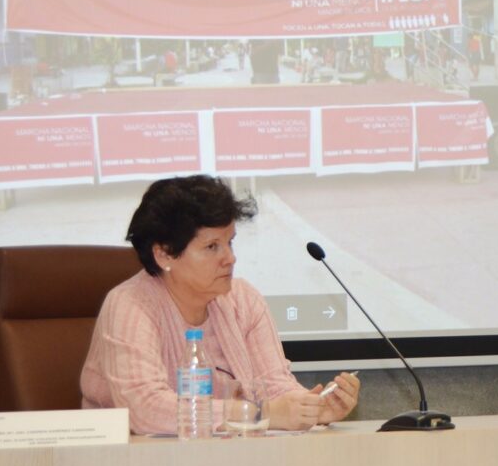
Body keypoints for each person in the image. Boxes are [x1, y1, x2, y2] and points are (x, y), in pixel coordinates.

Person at [81, 175, 360, 434]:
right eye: (212, 246)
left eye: (230, 242)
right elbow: (144, 409)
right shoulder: (130, 305)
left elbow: (275, 388)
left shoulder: (243, 300)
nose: (230, 258)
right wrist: (257, 413)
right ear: (164, 254)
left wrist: (314, 408)